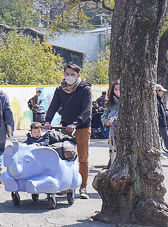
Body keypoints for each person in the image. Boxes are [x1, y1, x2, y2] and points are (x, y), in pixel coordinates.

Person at [44, 64, 93, 198]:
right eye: (67, 74)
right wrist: (48, 121)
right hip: (65, 126)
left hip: (81, 126)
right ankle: (64, 185)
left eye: (72, 74)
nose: (69, 76)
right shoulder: (60, 89)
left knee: (82, 157)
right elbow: (53, 105)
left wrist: (76, 123)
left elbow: (87, 110)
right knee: (62, 156)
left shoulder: (85, 89)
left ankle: (83, 187)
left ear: (78, 75)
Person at [105, 80, 120, 165]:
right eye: (115, 89)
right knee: (113, 151)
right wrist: (107, 121)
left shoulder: (130, 101)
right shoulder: (110, 103)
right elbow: (104, 115)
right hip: (113, 132)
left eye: (119, 89)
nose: (117, 92)